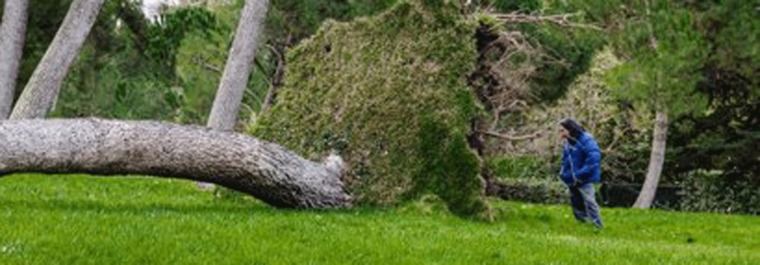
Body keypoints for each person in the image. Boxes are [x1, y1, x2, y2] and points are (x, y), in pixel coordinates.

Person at [559, 118, 603, 228]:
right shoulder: (567, 142)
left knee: (589, 201)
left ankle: (597, 225)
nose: (560, 133)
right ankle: (583, 223)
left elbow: (594, 159)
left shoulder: (587, 140)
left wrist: (580, 174)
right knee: (576, 201)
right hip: (572, 178)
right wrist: (564, 174)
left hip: (584, 178)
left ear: (570, 129)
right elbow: (565, 160)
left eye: (562, 130)